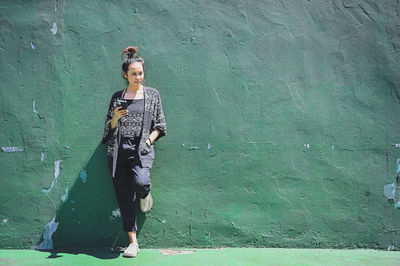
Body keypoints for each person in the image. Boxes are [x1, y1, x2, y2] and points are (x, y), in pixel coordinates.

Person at [101, 46, 167, 258]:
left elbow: (160, 126)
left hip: (142, 149)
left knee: (140, 182)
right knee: (123, 197)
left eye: (140, 73)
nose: (138, 77)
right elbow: (108, 129)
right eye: (133, 73)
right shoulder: (117, 96)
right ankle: (133, 242)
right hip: (119, 151)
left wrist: (149, 139)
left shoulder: (152, 95)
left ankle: (145, 194)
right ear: (125, 75)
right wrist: (115, 119)